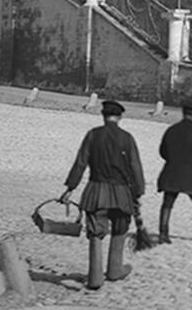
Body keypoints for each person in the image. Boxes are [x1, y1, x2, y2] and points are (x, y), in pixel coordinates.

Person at [62, 99, 145, 290]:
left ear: (103, 115)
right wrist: (138, 191)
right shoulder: (127, 138)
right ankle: (115, 270)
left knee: (95, 232)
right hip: (122, 193)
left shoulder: (93, 135)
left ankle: (95, 277)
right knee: (120, 229)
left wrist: (70, 188)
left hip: (97, 191)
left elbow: (80, 163)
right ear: (120, 117)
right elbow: (135, 166)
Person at [157, 99, 192, 243]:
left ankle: (163, 232)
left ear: (183, 112)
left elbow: (163, 151)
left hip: (172, 171)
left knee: (167, 203)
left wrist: (173, 159)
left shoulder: (172, 130)